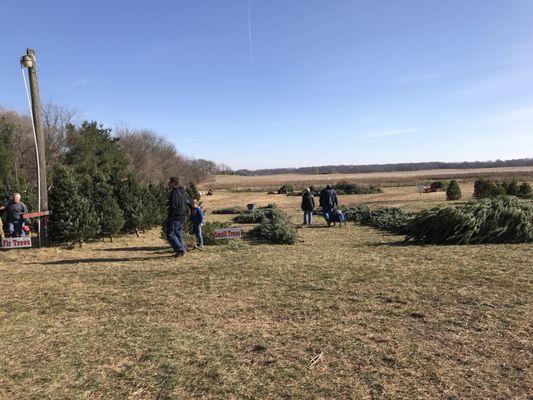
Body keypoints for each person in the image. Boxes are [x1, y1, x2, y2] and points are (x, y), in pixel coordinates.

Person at [166, 177, 189, 257]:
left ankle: (180, 250)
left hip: (175, 216)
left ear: (173, 183)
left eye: (169, 182)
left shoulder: (175, 192)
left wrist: (171, 215)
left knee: (170, 234)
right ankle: (182, 250)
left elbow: (174, 205)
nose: (168, 183)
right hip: (182, 216)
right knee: (178, 234)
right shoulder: (183, 192)